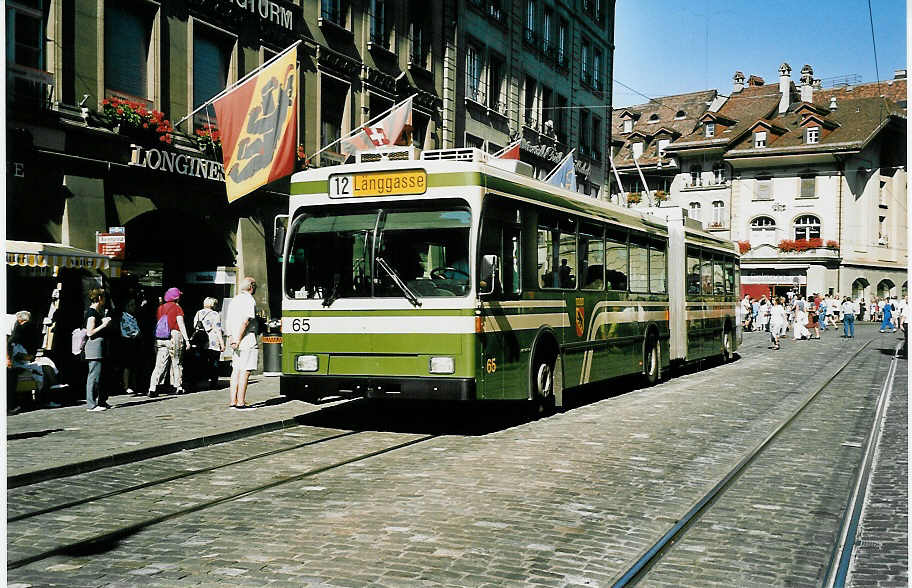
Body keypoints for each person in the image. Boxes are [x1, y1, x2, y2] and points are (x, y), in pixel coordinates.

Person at [148, 287, 191, 397]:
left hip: (161, 337)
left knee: (159, 364)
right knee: (176, 362)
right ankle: (178, 386)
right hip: (174, 336)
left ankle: (153, 387)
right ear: (176, 297)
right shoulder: (177, 308)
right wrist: (187, 339)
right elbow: (181, 324)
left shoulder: (160, 307)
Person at [227, 277, 259, 409]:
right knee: (245, 371)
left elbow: (228, 321)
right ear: (252, 286)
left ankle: (232, 401)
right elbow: (246, 321)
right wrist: (239, 339)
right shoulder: (249, 300)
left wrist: (232, 338)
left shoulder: (234, 299)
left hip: (234, 339)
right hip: (246, 339)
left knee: (236, 370)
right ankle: (241, 401)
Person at [85, 288, 113, 411]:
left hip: (101, 346)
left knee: (102, 375)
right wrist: (104, 324)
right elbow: (90, 332)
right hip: (94, 347)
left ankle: (102, 401)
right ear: (100, 298)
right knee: (94, 376)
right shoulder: (91, 313)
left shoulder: (98, 311)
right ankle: (91, 404)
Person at [192, 297, 225, 389]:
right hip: (213, 341)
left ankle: (199, 381)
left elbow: (195, 325)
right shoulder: (215, 314)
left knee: (201, 361)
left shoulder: (198, 313)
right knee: (214, 362)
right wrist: (222, 343)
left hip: (201, 341)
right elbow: (218, 329)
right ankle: (213, 382)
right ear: (213, 304)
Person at [119, 298, 141, 395]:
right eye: (131, 305)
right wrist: (134, 334)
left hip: (134, 342)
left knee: (134, 365)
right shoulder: (124, 317)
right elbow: (124, 330)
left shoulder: (133, 317)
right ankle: (126, 385)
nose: (134, 307)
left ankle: (134, 384)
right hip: (127, 342)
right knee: (127, 365)